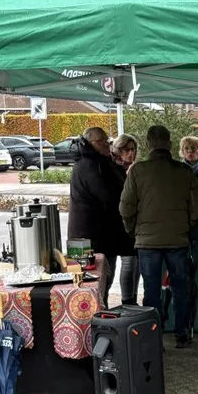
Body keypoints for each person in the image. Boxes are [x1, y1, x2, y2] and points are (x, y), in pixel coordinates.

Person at [120, 126, 198, 349]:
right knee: (181, 288)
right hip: (178, 240)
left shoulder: (138, 171)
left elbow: (125, 207)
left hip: (147, 242)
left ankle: (153, 338)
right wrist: (184, 227)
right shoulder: (184, 172)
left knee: (151, 291)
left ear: (148, 145)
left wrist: (133, 230)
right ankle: (183, 334)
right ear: (170, 144)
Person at [68, 127, 133, 307]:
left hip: (89, 234)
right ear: (90, 143)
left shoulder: (94, 161)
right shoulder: (91, 165)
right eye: (101, 142)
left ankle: (98, 315)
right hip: (93, 237)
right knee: (98, 281)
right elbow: (110, 197)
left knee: (97, 282)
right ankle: (97, 320)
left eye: (107, 141)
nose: (106, 144)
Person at [110, 134, 142, 305]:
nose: (130, 153)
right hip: (117, 221)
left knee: (133, 262)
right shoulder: (113, 168)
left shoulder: (137, 168)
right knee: (126, 262)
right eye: (126, 150)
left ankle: (131, 299)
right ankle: (127, 300)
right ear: (117, 150)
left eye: (133, 149)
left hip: (132, 222)